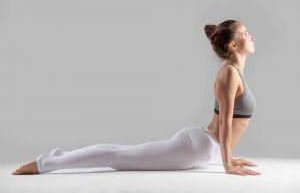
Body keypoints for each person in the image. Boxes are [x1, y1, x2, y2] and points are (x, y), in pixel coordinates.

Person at [12, 19, 261, 176]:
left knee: (119, 153)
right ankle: (45, 163)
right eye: (246, 33)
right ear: (233, 46)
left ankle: (55, 157)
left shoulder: (236, 71)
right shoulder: (228, 73)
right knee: (118, 156)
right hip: (197, 147)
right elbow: (226, 122)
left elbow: (227, 124)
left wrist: (225, 156)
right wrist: (227, 163)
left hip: (208, 148)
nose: (251, 36)